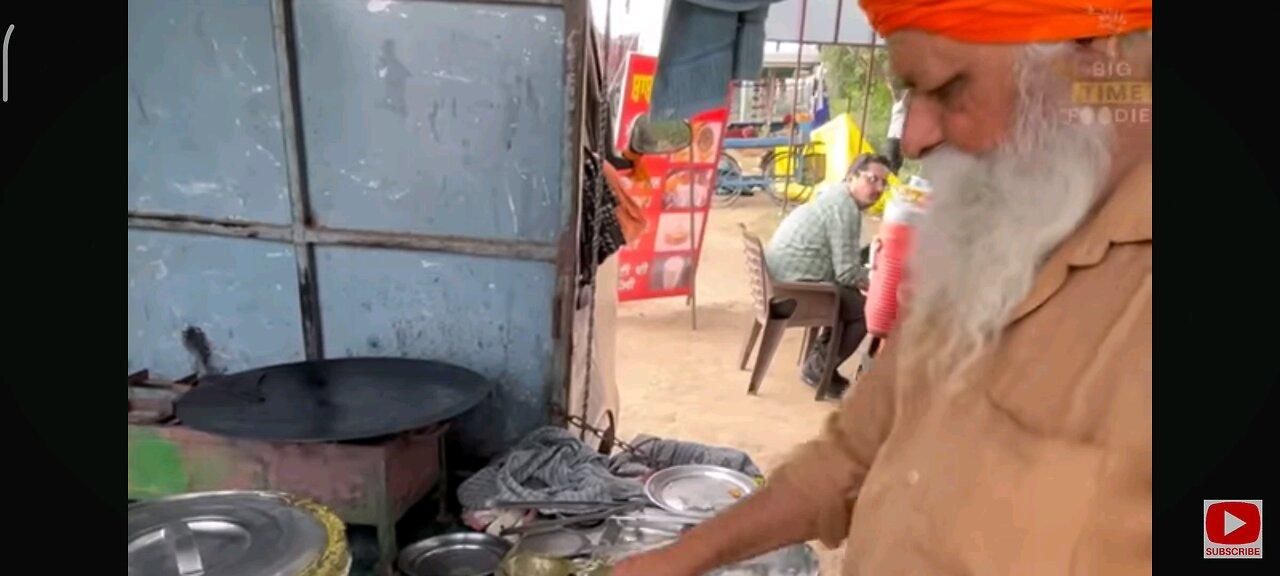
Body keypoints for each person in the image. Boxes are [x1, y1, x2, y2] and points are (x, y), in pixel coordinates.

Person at [613, 0, 1152, 573]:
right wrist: (674, 561)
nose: (913, 138)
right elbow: (849, 458)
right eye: (908, 96)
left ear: (1093, 56)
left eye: (948, 88)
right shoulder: (989, 242)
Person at [763, 153, 889, 396]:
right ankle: (819, 368)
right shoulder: (845, 209)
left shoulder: (834, 194)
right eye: (872, 180)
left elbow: (842, 260)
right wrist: (882, 282)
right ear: (852, 177)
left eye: (884, 183)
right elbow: (847, 273)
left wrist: (868, 257)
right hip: (794, 293)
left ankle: (821, 364)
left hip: (782, 282)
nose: (879, 188)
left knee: (851, 297)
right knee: (866, 309)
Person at [885, 86, 908, 173]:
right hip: (894, 137)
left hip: (899, 137)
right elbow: (904, 96)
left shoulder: (901, 106)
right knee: (891, 161)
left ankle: (894, 176)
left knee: (897, 162)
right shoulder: (899, 106)